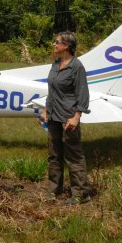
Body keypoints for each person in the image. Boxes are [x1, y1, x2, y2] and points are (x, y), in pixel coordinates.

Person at [42, 31, 91, 204]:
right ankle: (54, 190)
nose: (54, 44)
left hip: (67, 117)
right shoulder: (55, 64)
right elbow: (52, 90)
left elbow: (82, 93)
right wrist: (46, 110)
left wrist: (77, 116)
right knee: (54, 155)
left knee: (73, 156)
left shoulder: (76, 67)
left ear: (67, 46)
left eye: (57, 42)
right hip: (53, 116)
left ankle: (80, 194)